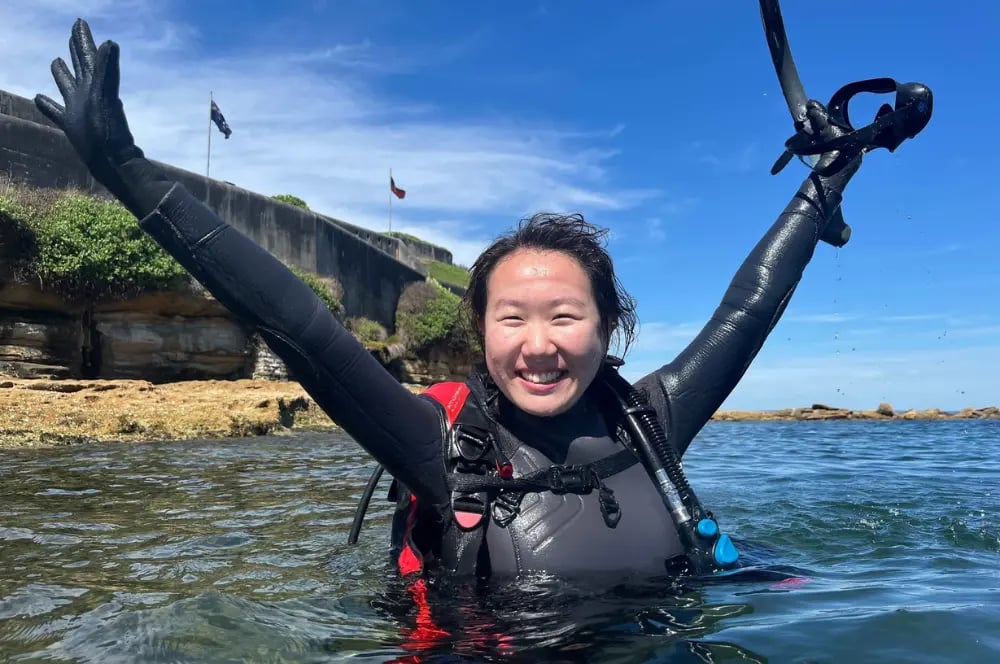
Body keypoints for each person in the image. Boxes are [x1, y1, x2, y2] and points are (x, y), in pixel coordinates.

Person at [36, 19, 861, 580]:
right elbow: (298, 326)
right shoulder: (438, 450)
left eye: (566, 317)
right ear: (482, 331)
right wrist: (128, 173)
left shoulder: (653, 420)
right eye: (513, 318)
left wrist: (820, 191)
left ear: (609, 328)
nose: (539, 344)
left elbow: (745, 312)